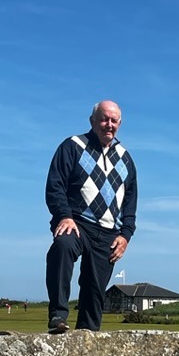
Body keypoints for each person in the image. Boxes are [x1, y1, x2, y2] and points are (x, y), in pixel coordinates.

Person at [45, 99, 137, 333]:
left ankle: (87, 333)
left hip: (109, 233)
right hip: (76, 223)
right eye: (104, 119)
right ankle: (58, 316)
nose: (109, 124)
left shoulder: (126, 158)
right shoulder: (73, 146)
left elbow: (130, 203)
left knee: (95, 289)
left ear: (120, 123)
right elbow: (55, 186)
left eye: (113, 120)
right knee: (63, 248)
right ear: (92, 121)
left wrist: (125, 235)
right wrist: (64, 216)